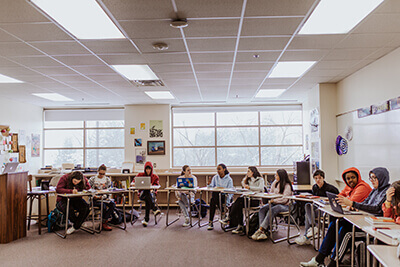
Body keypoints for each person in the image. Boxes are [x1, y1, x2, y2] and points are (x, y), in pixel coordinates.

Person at [300, 167, 389, 267]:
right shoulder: (374, 190)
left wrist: (353, 204)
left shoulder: (386, 191)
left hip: (374, 228)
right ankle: (319, 258)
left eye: (374, 178)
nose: (372, 180)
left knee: (346, 233)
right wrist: (355, 207)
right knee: (335, 224)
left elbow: (377, 208)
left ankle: (333, 263)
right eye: (371, 178)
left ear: (382, 178)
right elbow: (364, 202)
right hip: (365, 221)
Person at [295, 169, 339, 245]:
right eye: (316, 178)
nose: (318, 180)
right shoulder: (314, 187)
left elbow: (336, 201)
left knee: (307, 215)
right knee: (307, 206)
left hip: (326, 210)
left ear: (323, 178)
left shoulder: (331, 189)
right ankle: (313, 228)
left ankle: (307, 236)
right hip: (317, 208)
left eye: (319, 178)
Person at [220, 166, 265, 234]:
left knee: (238, 201)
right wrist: (244, 182)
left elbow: (260, 188)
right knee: (238, 204)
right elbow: (242, 182)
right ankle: (239, 225)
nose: (247, 173)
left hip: (255, 200)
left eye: (248, 171)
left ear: (253, 172)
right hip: (248, 198)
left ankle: (229, 217)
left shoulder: (260, 179)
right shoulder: (248, 179)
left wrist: (250, 187)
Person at [251, 169, 293, 241]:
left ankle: (261, 230)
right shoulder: (275, 183)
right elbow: (271, 193)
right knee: (262, 209)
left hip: (285, 206)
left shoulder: (287, 185)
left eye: (276, 175)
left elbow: (285, 199)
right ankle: (263, 231)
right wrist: (271, 199)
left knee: (273, 209)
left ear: (281, 176)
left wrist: (274, 200)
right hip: (275, 203)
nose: (275, 176)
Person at [56, 171, 91, 235]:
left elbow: (88, 187)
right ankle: (78, 224)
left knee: (86, 207)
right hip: (63, 200)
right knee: (69, 209)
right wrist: (71, 191)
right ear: (72, 178)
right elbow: (58, 189)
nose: (76, 183)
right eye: (75, 181)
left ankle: (75, 226)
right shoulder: (64, 178)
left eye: (78, 182)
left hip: (76, 199)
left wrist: (83, 189)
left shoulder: (83, 178)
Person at [88, 164, 117, 231]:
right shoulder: (92, 179)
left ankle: (104, 221)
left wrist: (102, 197)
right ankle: (104, 224)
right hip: (94, 199)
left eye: (103, 174)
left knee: (112, 204)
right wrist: (95, 196)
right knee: (103, 206)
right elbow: (89, 190)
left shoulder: (107, 180)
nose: (101, 175)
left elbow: (108, 191)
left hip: (104, 198)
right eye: (100, 173)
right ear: (97, 171)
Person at [132, 161, 161, 227]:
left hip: (151, 195)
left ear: (151, 169)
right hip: (142, 194)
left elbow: (156, 187)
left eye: (149, 169)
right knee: (146, 191)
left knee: (148, 197)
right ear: (144, 169)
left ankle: (146, 220)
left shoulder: (155, 177)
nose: (148, 170)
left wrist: (151, 188)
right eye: (146, 169)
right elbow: (133, 182)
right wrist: (135, 184)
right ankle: (154, 208)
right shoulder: (140, 175)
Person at [207, 163, 234, 230]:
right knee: (214, 198)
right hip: (216, 196)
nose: (218, 171)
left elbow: (230, 192)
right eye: (217, 169)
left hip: (224, 197)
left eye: (219, 169)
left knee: (213, 199)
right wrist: (209, 184)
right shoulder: (215, 177)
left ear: (224, 169)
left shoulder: (229, 179)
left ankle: (211, 221)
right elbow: (211, 188)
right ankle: (221, 213)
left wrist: (227, 202)